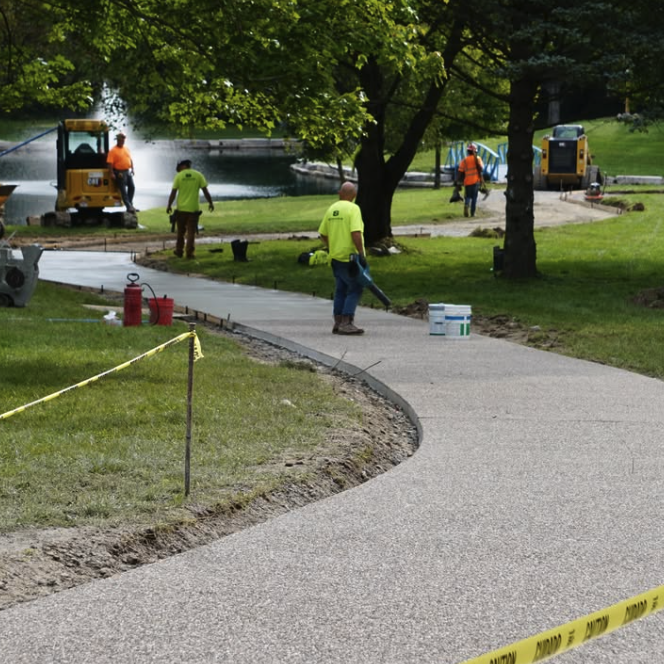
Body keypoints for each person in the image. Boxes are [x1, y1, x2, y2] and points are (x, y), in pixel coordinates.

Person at [318, 181, 367, 335]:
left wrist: (332, 246)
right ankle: (347, 322)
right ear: (354, 195)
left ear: (340, 193)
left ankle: (338, 322)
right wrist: (361, 253)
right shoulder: (353, 209)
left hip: (335, 256)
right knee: (356, 288)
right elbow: (356, 233)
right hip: (350, 257)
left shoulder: (332, 209)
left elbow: (323, 234)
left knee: (341, 289)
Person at [166, 159, 214, 260]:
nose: (178, 168)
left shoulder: (179, 176)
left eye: (179, 166)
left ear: (184, 166)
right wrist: (210, 202)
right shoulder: (198, 175)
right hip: (193, 209)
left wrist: (169, 205)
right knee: (191, 232)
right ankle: (190, 253)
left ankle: (179, 251)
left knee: (180, 232)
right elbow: (205, 191)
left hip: (181, 209)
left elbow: (173, 192)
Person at [106, 131, 137, 213]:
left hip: (127, 171)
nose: (123, 140)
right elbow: (109, 163)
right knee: (123, 190)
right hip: (119, 172)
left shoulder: (126, 148)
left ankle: (130, 205)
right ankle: (129, 206)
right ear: (118, 140)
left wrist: (133, 169)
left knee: (132, 187)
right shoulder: (113, 150)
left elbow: (130, 159)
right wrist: (111, 173)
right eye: (121, 139)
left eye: (123, 139)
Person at [456, 143, 484, 218]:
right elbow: (481, 169)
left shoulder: (464, 160)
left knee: (468, 196)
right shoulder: (478, 159)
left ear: (468, 151)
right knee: (474, 197)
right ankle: (472, 213)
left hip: (467, 182)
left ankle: (466, 205)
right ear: (475, 151)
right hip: (475, 181)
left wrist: (457, 182)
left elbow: (460, 172)